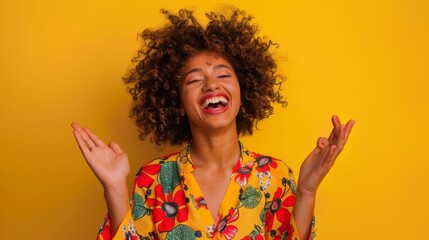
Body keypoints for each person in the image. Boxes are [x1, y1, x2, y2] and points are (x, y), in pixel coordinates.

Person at [72, 7, 354, 240]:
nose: (211, 84)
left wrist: (305, 192)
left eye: (223, 75)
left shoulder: (274, 175)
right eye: (194, 80)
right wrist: (114, 188)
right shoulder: (154, 179)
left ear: (244, 92)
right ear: (177, 103)